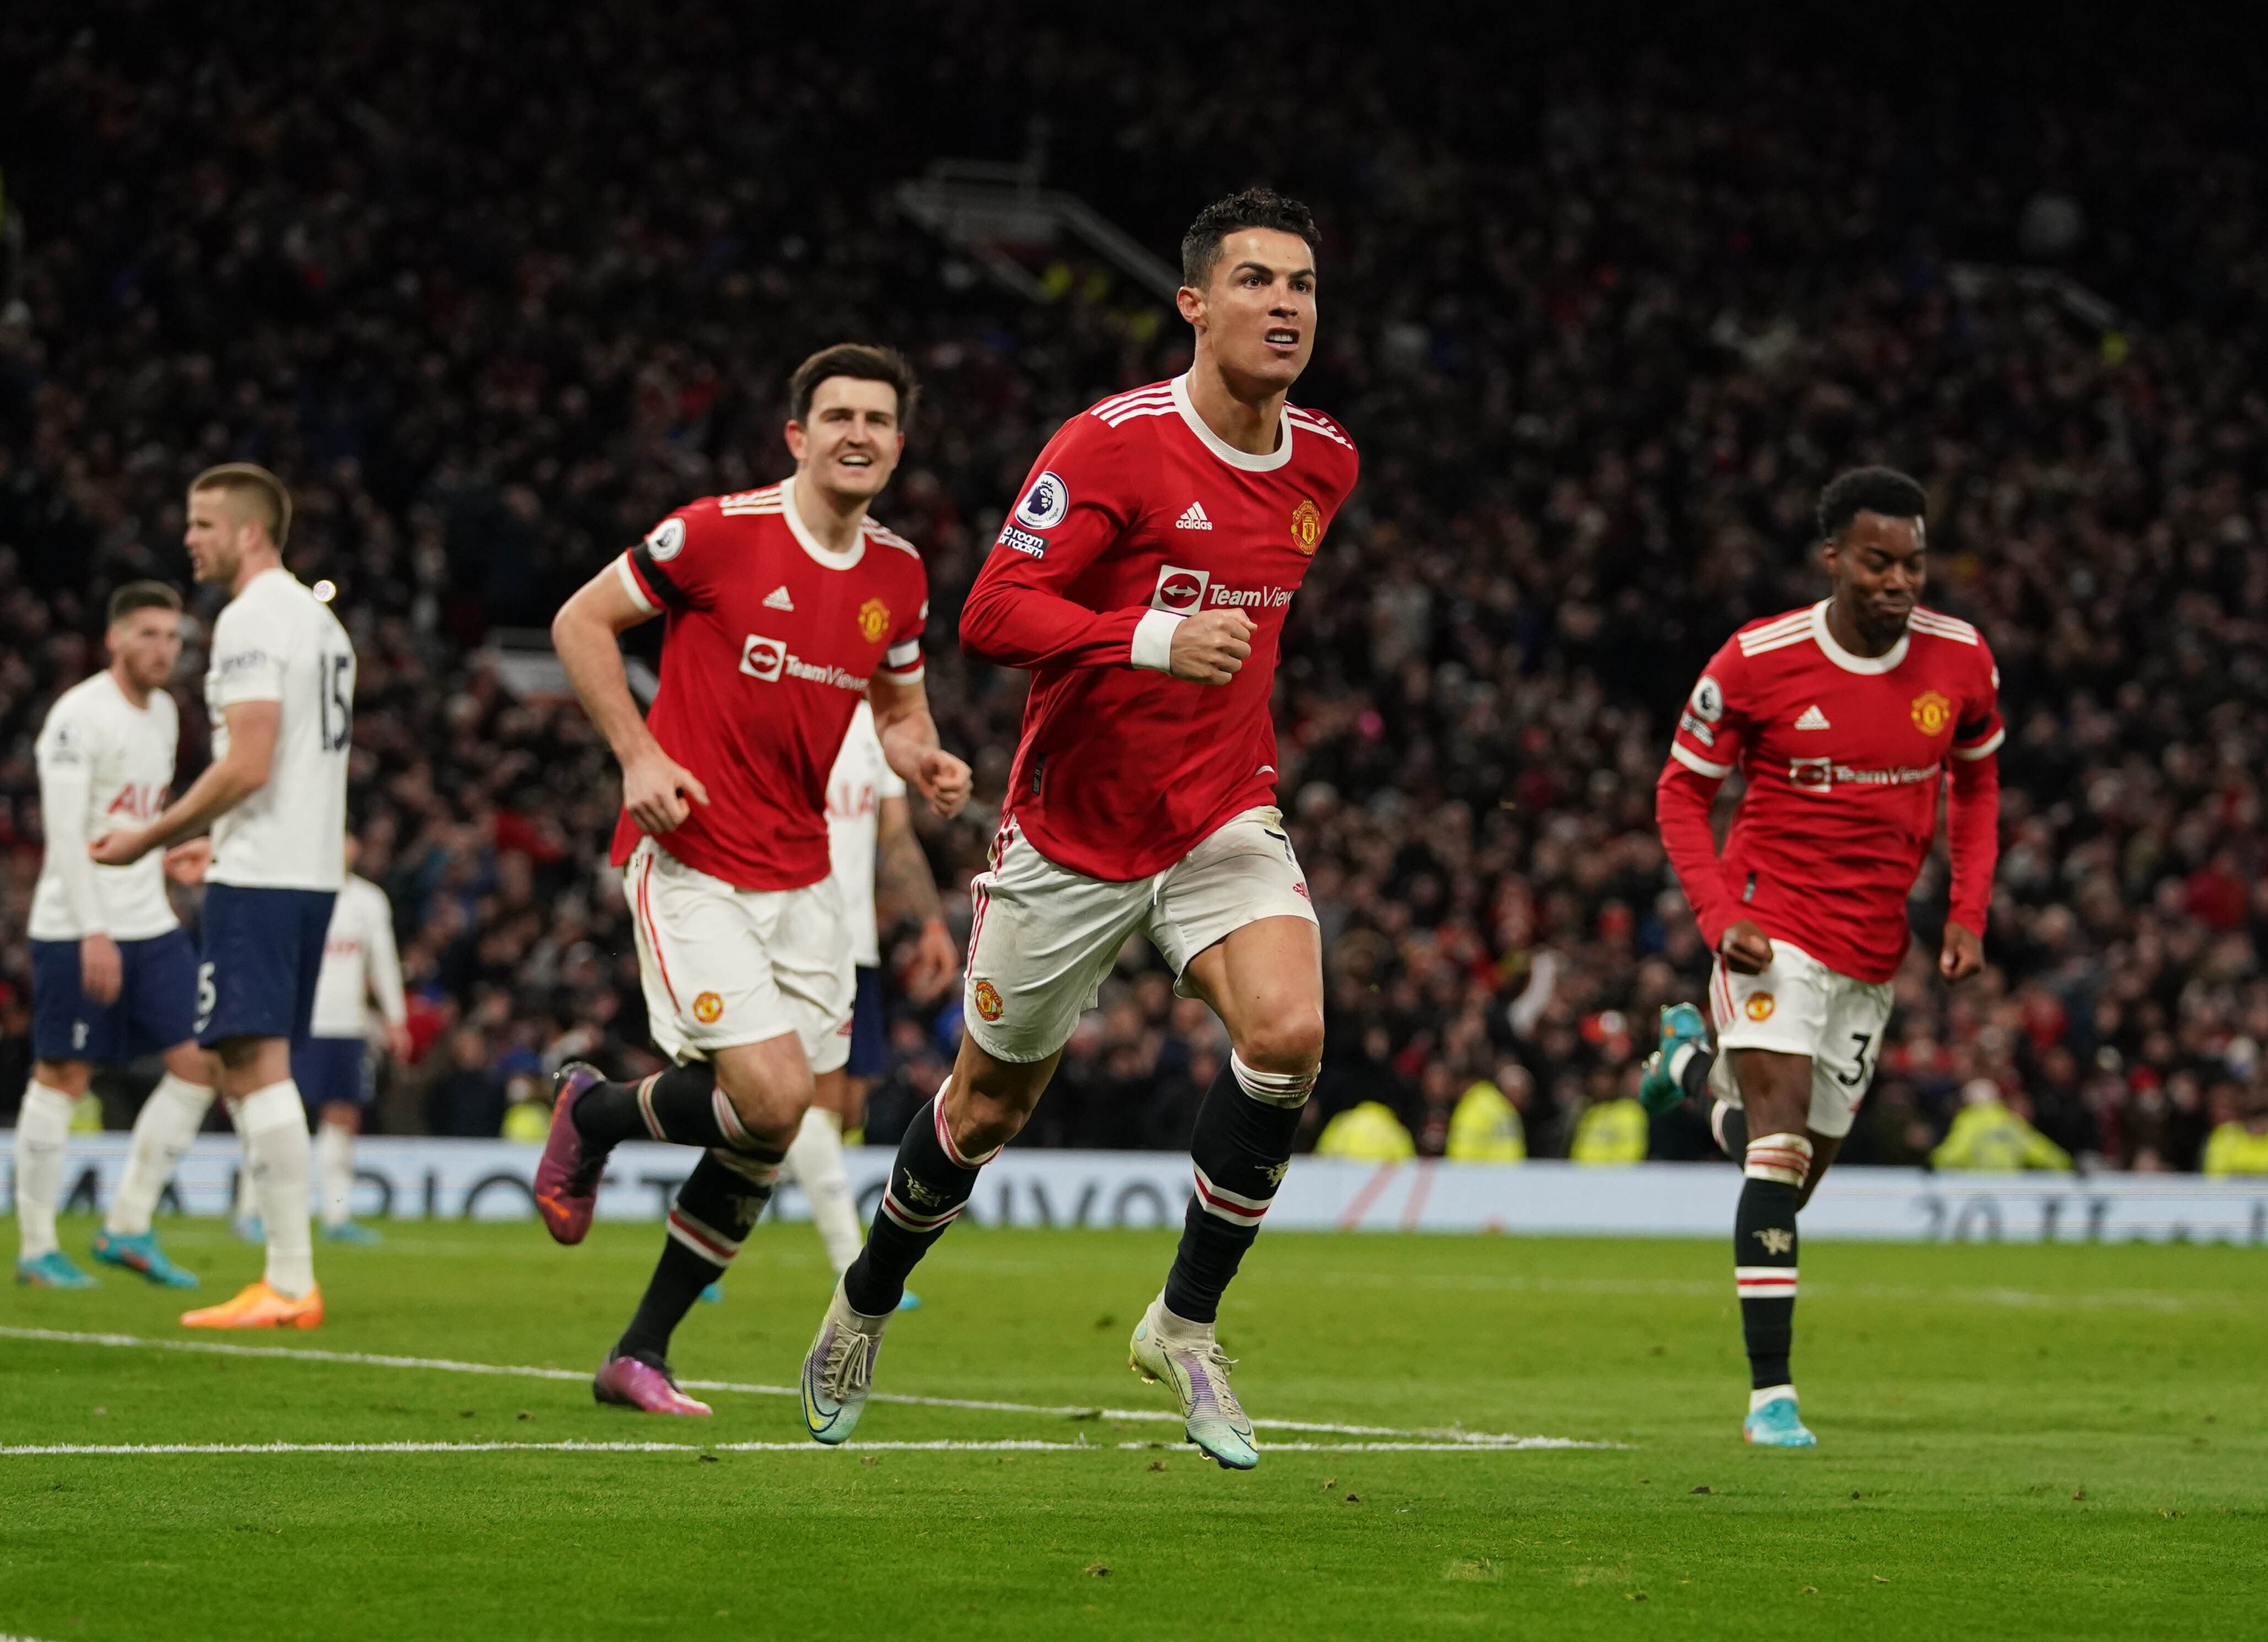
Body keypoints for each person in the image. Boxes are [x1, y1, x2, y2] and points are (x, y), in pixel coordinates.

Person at [797, 188, 1360, 1471]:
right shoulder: (1112, 446)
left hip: (1221, 811)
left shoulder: (1327, 461)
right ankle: (867, 1296)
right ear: (1195, 304)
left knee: (1290, 1033)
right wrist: (1150, 634)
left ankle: (1185, 1321)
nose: (1285, 305)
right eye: (1258, 281)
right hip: (1069, 831)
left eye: (1305, 286)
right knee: (986, 1108)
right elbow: (995, 612)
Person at [537, 343, 971, 1417]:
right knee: (772, 1094)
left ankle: (639, 1346)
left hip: (808, 877)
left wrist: (920, 754)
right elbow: (579, 621)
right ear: (798, 435)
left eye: (878, 419)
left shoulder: (899, 574)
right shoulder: (719, 532)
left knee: (773, 1122)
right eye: (838, 416)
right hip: (693, 861)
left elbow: (900, 705)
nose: (858, 434)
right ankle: (589, 1122)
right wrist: (638, 754)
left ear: (898, 444)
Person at [1641, 466, 2001, 1447]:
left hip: (1874, 950)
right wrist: (1719, 917)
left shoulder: (1962, 661)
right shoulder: (1756, 662)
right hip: (1772, 927)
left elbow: (1976, 784)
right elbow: (1680, 794)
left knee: (1796, 1167)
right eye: (1878, 561)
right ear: (1832, 558)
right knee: (1781, 1141)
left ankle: (1685, 1069)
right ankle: (1771, 1398)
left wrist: (1965, 913)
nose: (1900, 581)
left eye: (1914, 563)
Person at [93, 463, 357, 1329]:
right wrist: (216, 838)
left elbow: (247, 760)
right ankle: (285, 1278)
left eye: (203, 523)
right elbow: (290, 770)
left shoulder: (250, 617)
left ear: (249, 531)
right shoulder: (322, 624)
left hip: (265, 877)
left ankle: (288, 1281)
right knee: (248, 1062)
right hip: (306, 868)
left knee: (250, 1063)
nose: (189, 537)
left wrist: (149, 836)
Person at [708, 701, 959, 1305]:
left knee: (838, 1112)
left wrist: (929, 921)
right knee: (809, 1106)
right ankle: (854, 1263)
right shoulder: (787, 707)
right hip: (791, 936)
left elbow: (894, 836)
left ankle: (705, 1234)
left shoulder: (878, 733)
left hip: (855, 948)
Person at [15, 582, 210, 1290]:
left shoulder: (163, 713)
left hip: (149, 919)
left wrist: (169, 856)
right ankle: (36, 1247)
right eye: (150, 634)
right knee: (65, 1075)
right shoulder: (77, 717)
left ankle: (126, 1226)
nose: (164, 649)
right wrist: (93, 930)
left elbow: (130, 821)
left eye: (174, 637)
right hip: (78, 924)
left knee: (201, 1062)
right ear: (115, 639)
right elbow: (65, 837)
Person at [293, 835, 409, 1244]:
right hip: (299, 1021)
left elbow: (383, 962)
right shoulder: (298, 890)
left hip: (348, 1024)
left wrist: (397, 1019)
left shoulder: (369, 900)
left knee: (343, 1116)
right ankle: (253, 1211)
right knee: (282, 1115)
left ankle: (336, 1216)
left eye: (348, 837)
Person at [1930, 1079, 2072, 1171]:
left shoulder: (1969, 1120)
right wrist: (2066, 1164)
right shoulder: (2011, 1121)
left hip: (1977, 1188)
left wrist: (1933, 1161)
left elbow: (1954, 1154)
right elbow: (2044, 1153)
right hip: (2010, 1190)